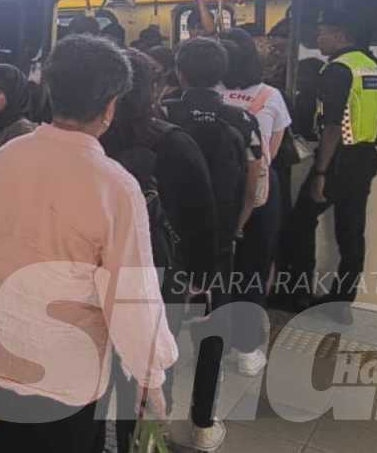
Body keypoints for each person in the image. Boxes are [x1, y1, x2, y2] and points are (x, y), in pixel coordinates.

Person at [0, 34, 177, 453]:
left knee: (14, 439)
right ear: (111, 105)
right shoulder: (113, 184)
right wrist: (151, 376)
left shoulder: (3, 158)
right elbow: (130, 291)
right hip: (65, 364)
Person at [100, 48, 218, 453]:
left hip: (96, 281)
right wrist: (201, 280)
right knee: (148, 383)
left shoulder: (90, 144)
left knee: (95, 378)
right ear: (150, 92)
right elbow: (203, 221)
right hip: (157, 283)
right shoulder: (175, 144)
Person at [162, 37, 262, 451]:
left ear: (179, 72)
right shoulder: (242, 120)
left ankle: (155, 414)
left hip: (167, 243)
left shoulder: (161, 114)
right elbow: (253, 184)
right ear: (222, 74)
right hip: (219, 242)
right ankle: (202, 424)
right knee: (212, 331)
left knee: (161, 331)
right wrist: (235, 228)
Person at [283, 9, 377, 325]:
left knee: (299, 222)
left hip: (338, 158)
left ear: (342, 36)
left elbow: (332, 126)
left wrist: (320, 172)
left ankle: (300, 294)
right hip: (365, 155)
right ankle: (342, 302)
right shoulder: (373, 67)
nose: (318, 38)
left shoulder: (338, 70)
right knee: (352, 231)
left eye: (323, 33)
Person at [218, 28, 292, 376]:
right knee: (253, 267)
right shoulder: (270, 95)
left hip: (214, 191)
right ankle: (247, 350)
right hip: (258, 190)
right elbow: (270, 152)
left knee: (215, 265)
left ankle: (210, 341)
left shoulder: (208, 93)